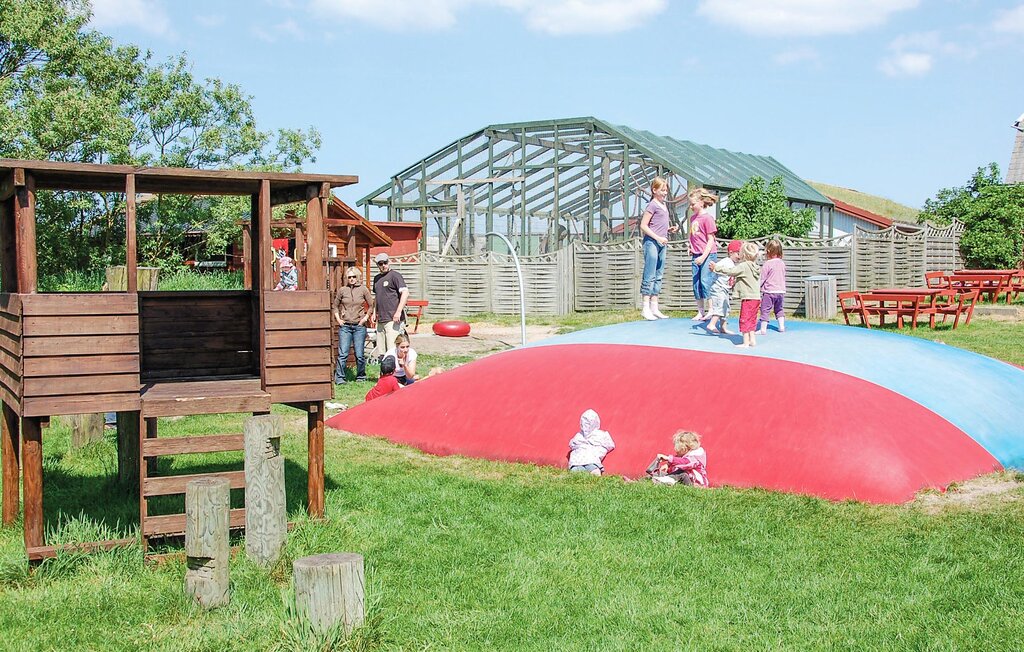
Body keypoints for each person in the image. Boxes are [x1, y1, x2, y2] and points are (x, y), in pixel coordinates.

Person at [638, 177, 679, 320]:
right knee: (649, 274)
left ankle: (654, 306)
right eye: (662, 190)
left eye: (666, 189)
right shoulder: (652, 205)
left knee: (659, 274)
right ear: (654, 190)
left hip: (662, 242)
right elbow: (643, 226)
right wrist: (657, 238)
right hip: (651, 242)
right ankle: (645, 307)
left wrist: (668, 229)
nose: (665, 192)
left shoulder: (663, 205)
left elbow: (658, 225)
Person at [710, 242, 760, 348]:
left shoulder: (743, 266)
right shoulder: (755, 266)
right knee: (752, 319)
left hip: (748, 298)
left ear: (744, 255)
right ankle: (752, 340)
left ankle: (745, 342)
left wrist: (716, 268)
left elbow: (731, 271)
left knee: (744, 319)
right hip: (756, 298)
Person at [333, 266, 372, 384]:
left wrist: (365, 318)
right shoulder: (342, 290)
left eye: (354, 277)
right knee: (343, 353)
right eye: (349, 277)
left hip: (359, 326)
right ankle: (340, 378)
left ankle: (361, 376)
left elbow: (371, 305)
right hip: (345, 326)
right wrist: (338, 319)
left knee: (359, 354)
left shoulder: (364, 289)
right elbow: (335, 305)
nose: (352, 279)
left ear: (358, 277)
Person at [687, 187, 719, 321]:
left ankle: (711, 309)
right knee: (697, 283)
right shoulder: (693, 218)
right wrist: (690, 246)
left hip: (707, 254)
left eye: (693, 204)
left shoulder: (707, 219)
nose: (691, 206)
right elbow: (693, 235)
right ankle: (700, 311)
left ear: (701, 202)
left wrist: (703, 257)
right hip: (696, 254)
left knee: (706, 281)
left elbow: (711, 240)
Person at [372, 252, 409, 357]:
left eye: (385, 262)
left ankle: (398, 372)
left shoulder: (395, 276)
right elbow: (377, 297)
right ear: (378, 265)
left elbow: (405, 293)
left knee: (393, 351)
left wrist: (398, 312)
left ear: (389, 262)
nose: (383, 265)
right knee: (381, 353)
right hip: (381, 320)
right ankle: (384, 372)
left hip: (393, 319)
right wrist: (374, 312)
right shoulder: (377, 279)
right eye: (380, 264)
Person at [705, 239, 742, 335]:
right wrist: (713, 268)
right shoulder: (726, 261)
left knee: (726, 308)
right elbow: (716, 267)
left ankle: (723, 327)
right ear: (731, 253)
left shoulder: (734, 264)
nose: (740, 256)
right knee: (720, 305)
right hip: (718, 288)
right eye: (738, 253)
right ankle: (712, 324)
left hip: (725, 289)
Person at [567, 409, 616, 476]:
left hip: (576, 461)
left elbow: (571, 445)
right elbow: (610, 445)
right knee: (594, 471)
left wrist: (582, 445)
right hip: (592, 461)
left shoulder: (579, 435)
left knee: (575, 472)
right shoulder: (601, 434)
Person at [759, 239, 787, 334]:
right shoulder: (782, 263)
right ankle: (782, 326)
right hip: (780, 291)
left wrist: (758, 287)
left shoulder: (767, 264)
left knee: (765, 309)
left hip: (769, 291)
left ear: (768, 252)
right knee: (779, 309)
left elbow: (762, 278)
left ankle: (763, 329)